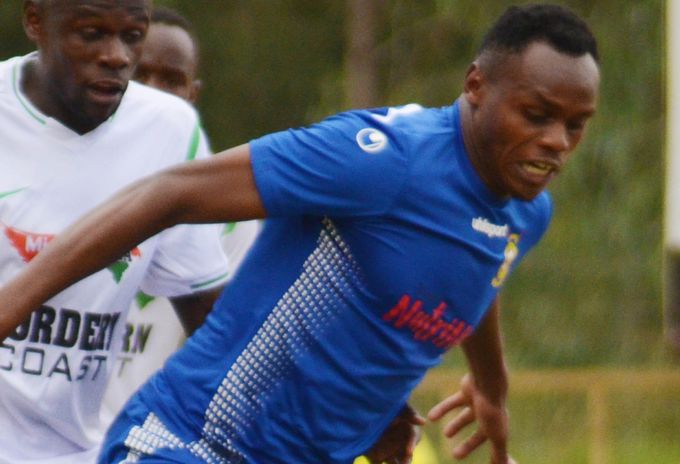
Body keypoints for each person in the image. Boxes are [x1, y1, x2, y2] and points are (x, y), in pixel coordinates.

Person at [0, 3, 601, 463]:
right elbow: (169, 193)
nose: (556, 142)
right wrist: (12, 303)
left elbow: (480, 270)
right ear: (476, 86)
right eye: (537, 114)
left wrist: (492, 387)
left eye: (576, 125)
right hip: (190, 445)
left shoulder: (526, 212)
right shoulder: (381, 160)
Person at [0, 0, 231, 462]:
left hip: (83, 450)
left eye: (132, 36)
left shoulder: (168, 130)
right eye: (91, 34)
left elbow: (213, 326)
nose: (117, 56)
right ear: (35, 21)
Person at [100, 5, 260, 428]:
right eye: (140, 74)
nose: (154, 92)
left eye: (172, 80)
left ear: (193, 94)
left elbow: (226, 350)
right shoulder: (62, 179)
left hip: (144, 441)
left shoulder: (231, 219)